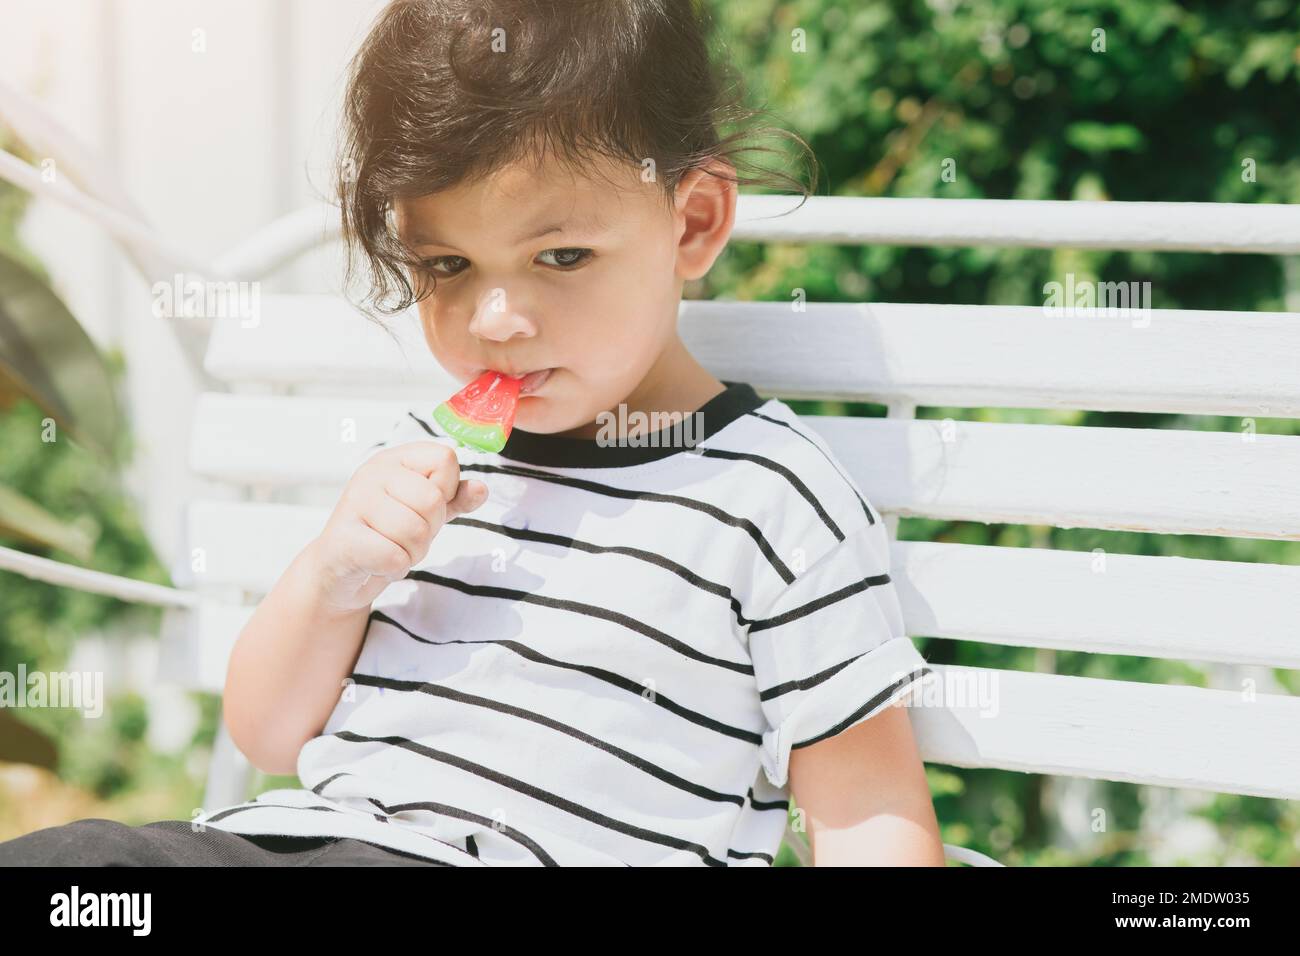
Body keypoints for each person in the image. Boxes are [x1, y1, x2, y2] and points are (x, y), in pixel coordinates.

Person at [0, 0, 942, 867]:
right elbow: (270, 738)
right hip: (314, 842)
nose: (495, 317)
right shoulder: (422, 466)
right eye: (447, 263)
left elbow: (866, 810)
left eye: (560, 256)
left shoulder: (768, 496)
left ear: (692, 220)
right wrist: (335, 579)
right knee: (77, 863)